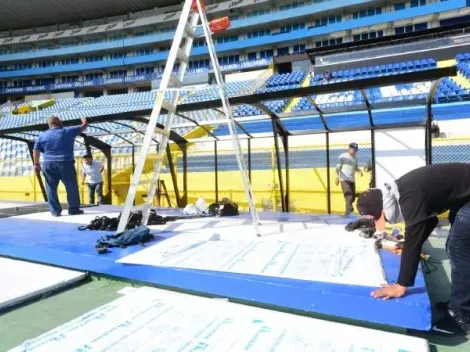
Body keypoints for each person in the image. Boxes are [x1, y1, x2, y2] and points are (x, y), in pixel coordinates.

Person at [357, 163, 470, 336]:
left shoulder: (410, 197)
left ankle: (461, 317)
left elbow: (414, 239)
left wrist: (401, 285)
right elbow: (430, 221)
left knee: (458, 248)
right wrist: (409, 242)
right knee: (457, 246)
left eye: (381, 217)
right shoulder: (402, 190)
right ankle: (461, 301)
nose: (385, 221)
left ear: (384, 206)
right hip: (464, 195)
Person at [33, 116, 88, 217]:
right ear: (59, 122)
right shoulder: (67, 131)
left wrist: (36, 164)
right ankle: (73, 209)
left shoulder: (42, 135)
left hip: (48, 164)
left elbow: (36, 150)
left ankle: (55, 211)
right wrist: (84, 121)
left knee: (50, 188)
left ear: (49, 124)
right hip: (65, 163)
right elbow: (83, 127)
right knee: (71, 187)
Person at [335, 142, 363, 216]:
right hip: (344, 179)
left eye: (356, 150)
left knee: (352, 198)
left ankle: (355, 197)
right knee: (349, 196)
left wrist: (359, 170)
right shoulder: (343, 156)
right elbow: (338, 167)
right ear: (349, 149)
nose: (355, 151)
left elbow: (355, 167)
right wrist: (337, 177)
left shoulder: (355, 158)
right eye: (354, 150)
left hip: (352, 180)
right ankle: (349, 213)